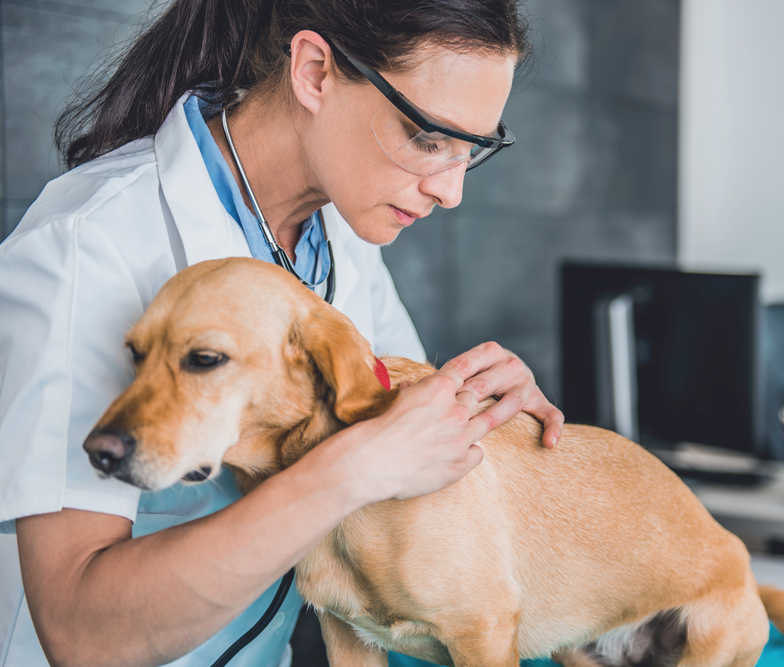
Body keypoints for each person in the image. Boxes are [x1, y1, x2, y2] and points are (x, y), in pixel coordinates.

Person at [0, 1, 564, 664]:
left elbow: (408, 459)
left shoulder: (344, 241)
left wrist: (484, 416)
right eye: (427, 138)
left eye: (472, 149)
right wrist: (349, 470)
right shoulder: (87, 246)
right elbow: (81, 632)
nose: (450, 191)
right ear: (315, 72)